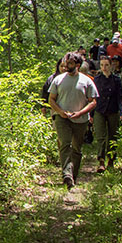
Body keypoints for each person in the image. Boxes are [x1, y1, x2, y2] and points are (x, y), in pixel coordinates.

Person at [48, 51, 98, 189]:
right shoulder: (58, 80)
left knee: (76, 148)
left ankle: (73, 175)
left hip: (80, 120)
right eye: (65, 62)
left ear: (77, 64)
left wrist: (80, 113)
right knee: (65, 144)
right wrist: (60, 112)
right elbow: (51, 99)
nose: (66, 65)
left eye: (70, 63)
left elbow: (93, 101)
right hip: (62, 118)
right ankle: (67, 176)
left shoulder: (86, 81)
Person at [92, 56, 122, 172]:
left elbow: (120, 97)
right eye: (101, 65)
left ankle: (111, 160)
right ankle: (101, 161)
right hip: (99, 110)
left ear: (111, 66)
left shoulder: (116, 79)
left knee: (113, 136)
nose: (104, 68)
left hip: (113, 110)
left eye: (106, 65)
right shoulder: (97, 79)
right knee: (100, 136)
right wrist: (91, 114)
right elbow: (92, 97)